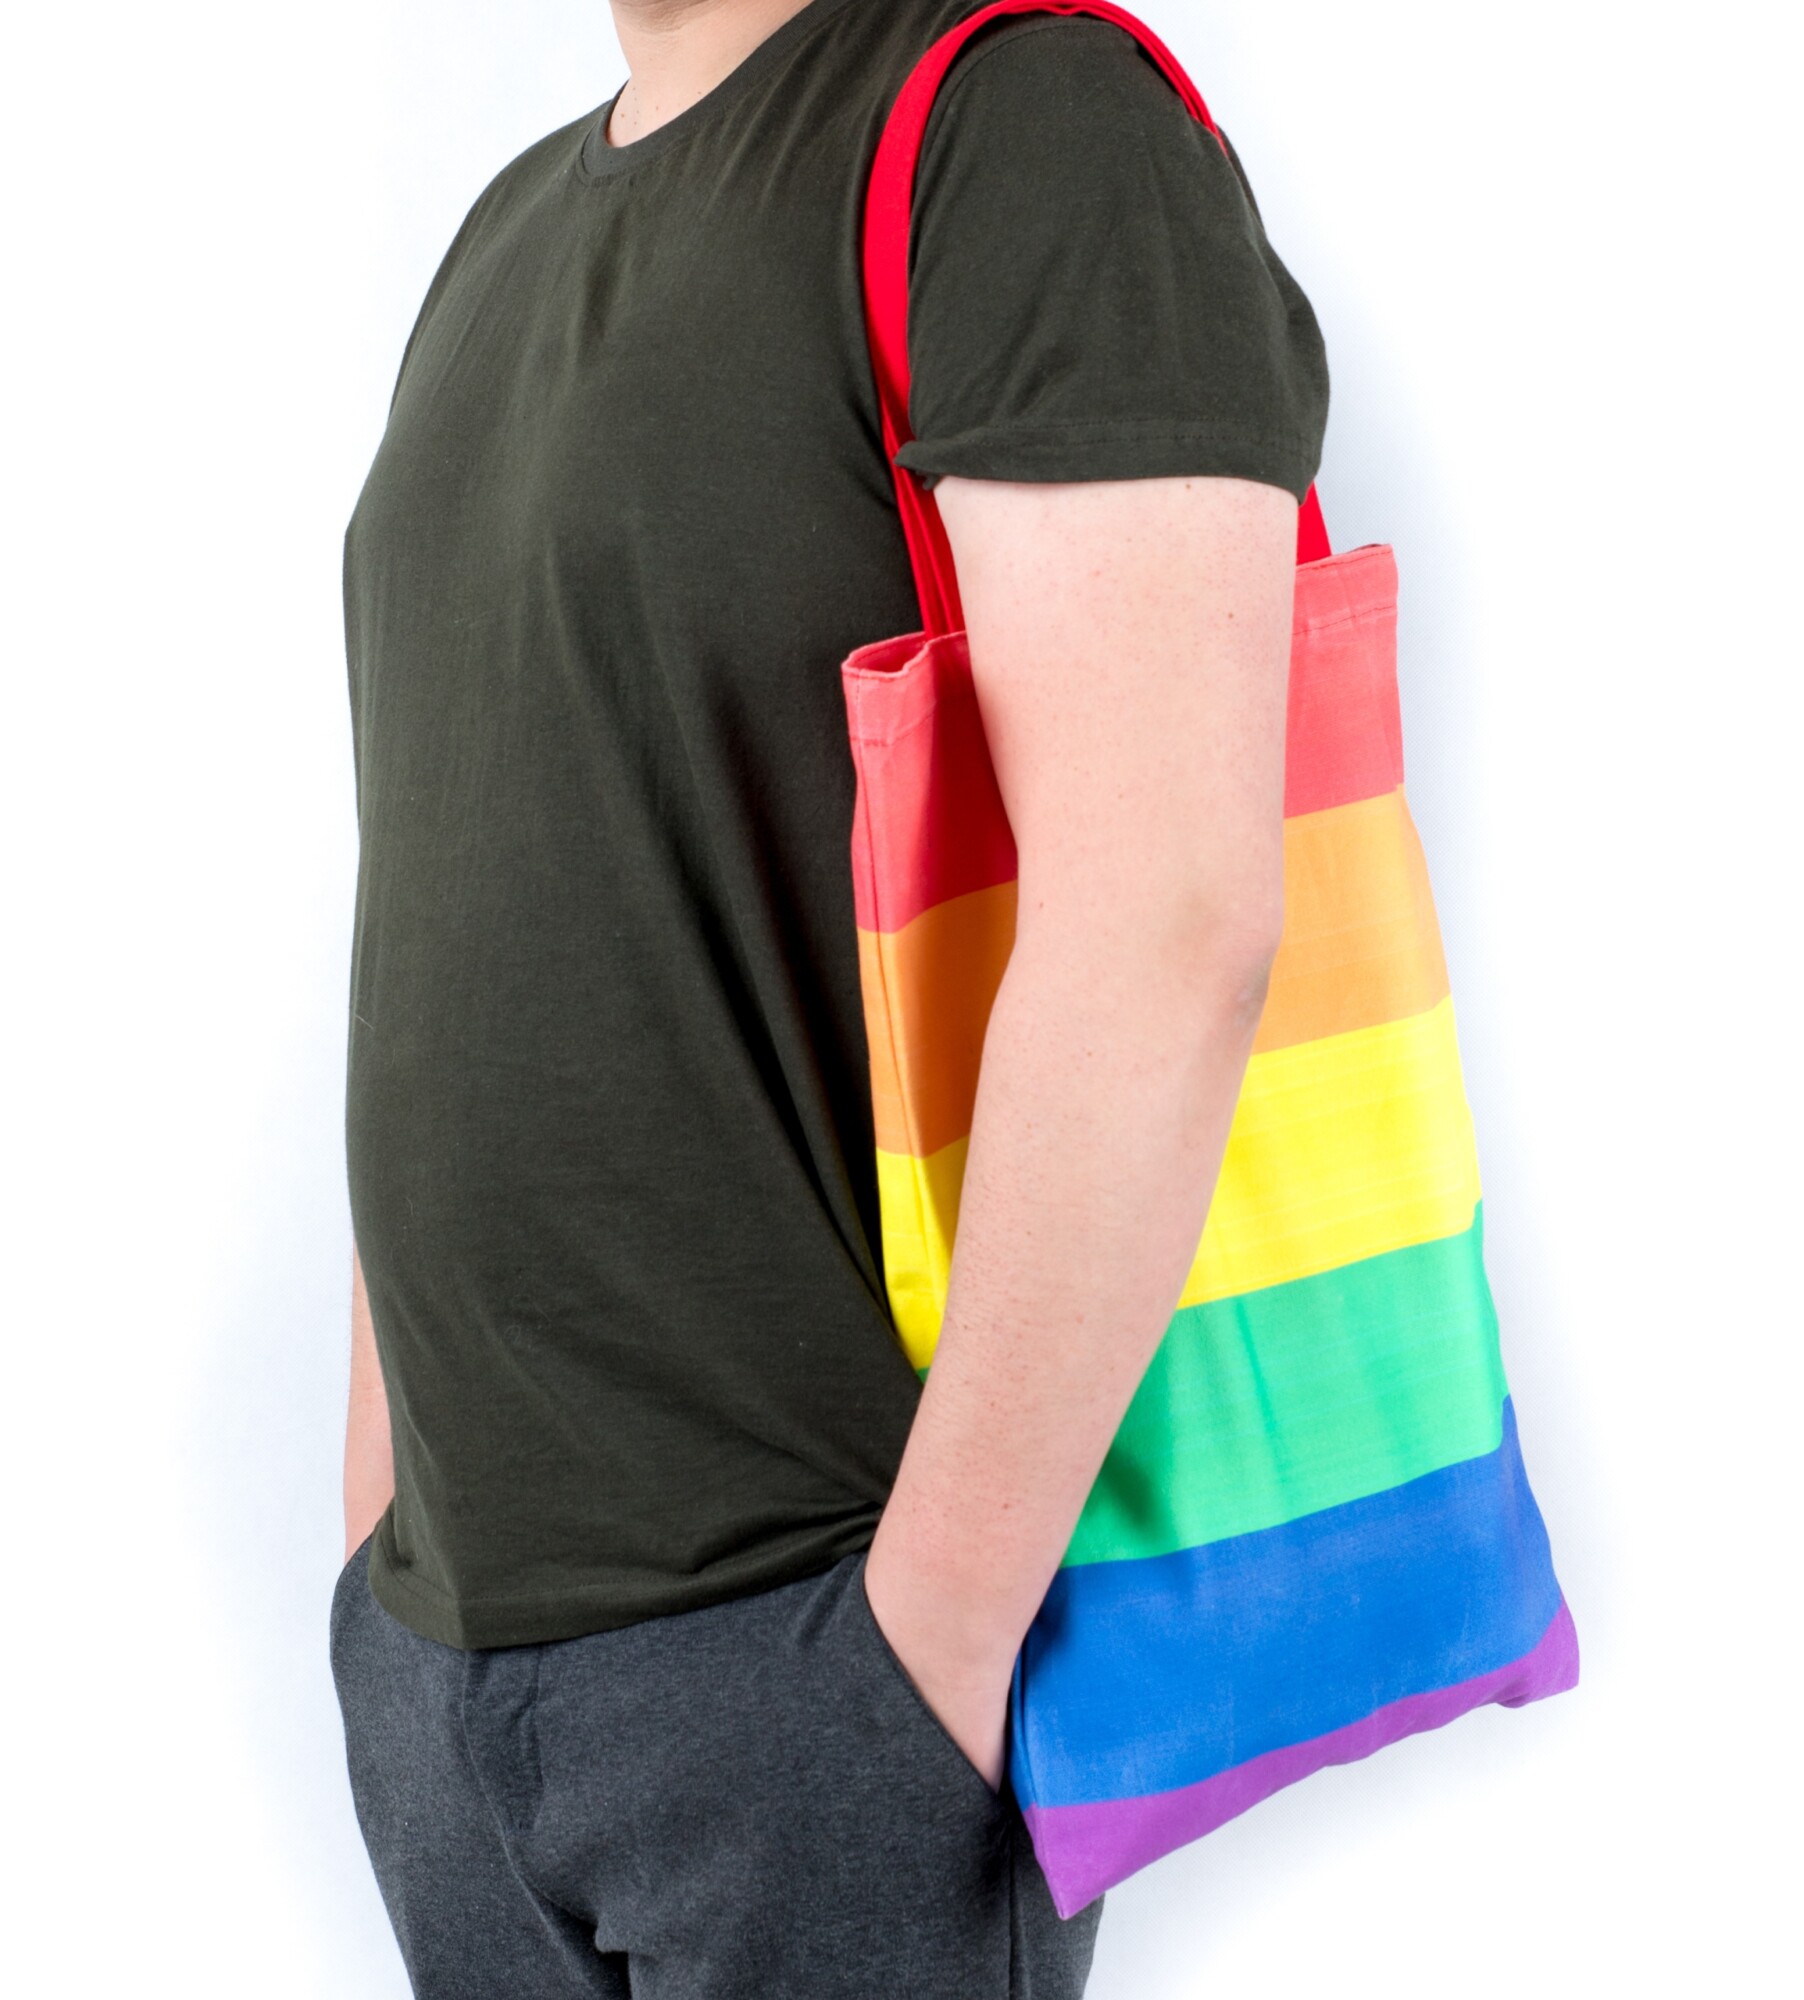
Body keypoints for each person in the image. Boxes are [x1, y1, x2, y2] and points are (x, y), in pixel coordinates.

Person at [329, 0, 1329, 1992]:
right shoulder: (502, 232)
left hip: (814, 1664)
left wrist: (919, 1647)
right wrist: (379, 1560)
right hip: (444, 1669)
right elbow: (454, 886)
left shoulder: (1022, 121)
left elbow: (1169, 918)